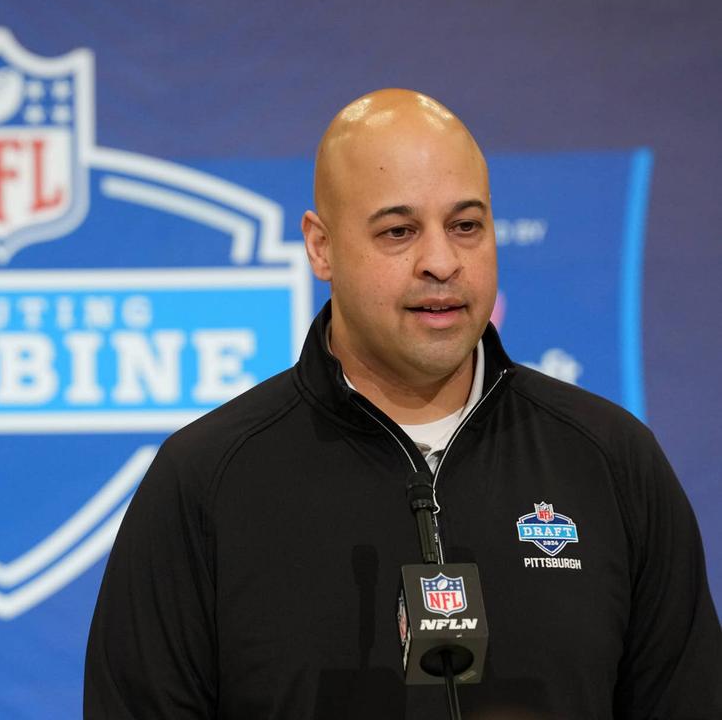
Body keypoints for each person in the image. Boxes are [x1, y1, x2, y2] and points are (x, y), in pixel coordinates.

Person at [84, 89, 722, 718]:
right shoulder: (204, 481)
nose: (441, 261)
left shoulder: (610, 462)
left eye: (466, 226)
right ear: (321, 246)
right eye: (399, 231)